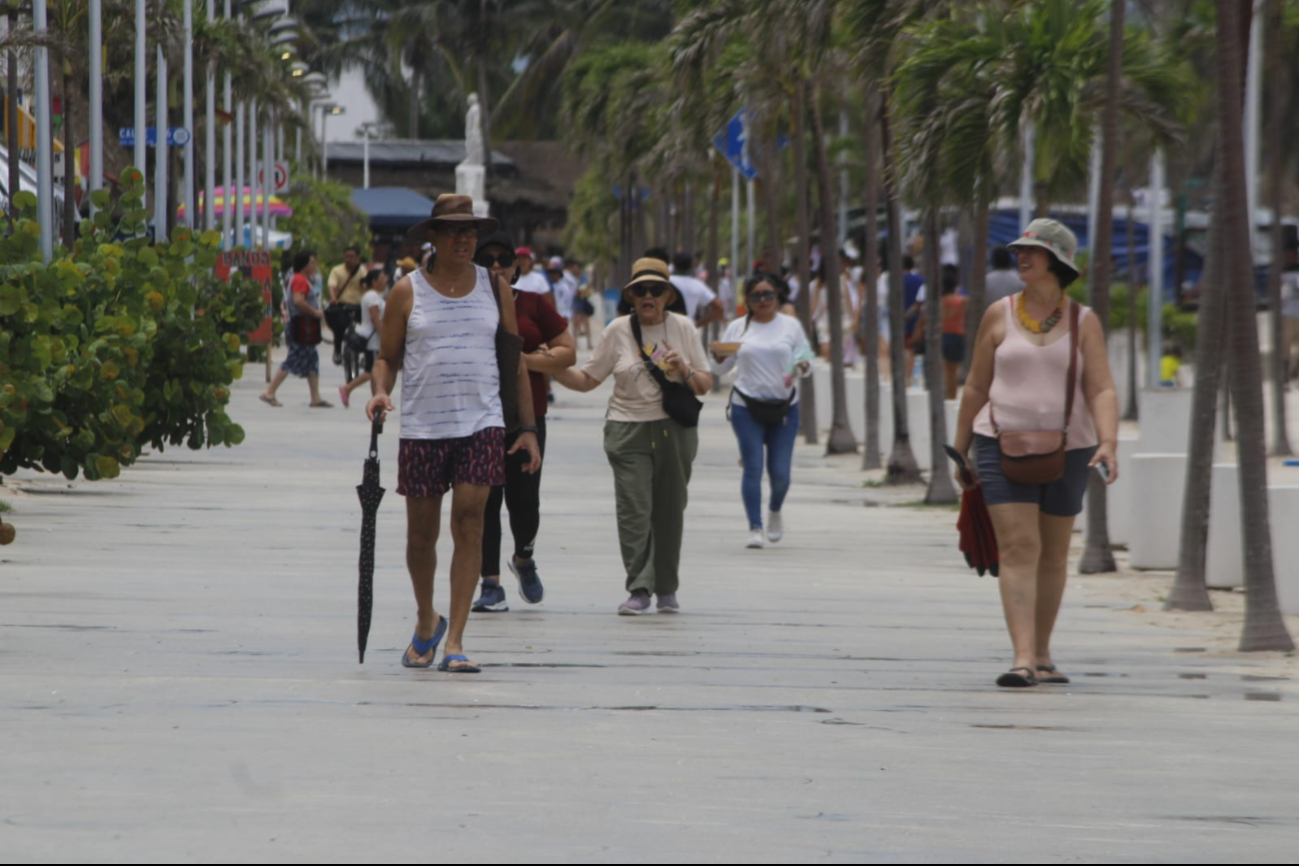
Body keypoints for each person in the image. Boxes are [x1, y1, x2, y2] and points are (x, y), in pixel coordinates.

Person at [366, 195, 542, 672]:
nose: (464, 240)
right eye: (453, 231)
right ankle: (428, 620)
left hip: (481, 424)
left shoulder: (495, 287)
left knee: (470, 522)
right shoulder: (407, 291)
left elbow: (513, 362)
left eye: (471, 232)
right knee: (421, 538)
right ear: (434, 238)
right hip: (424, 427)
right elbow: (387, 357)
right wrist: (381, 392)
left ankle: (456, 641)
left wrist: (526, 428)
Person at [952, 218, 1119, 689]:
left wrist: (1109, 441)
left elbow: (1102, 388)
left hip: (1071, 447)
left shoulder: (1083, 321)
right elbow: (976, 386)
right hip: (999, 443)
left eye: (1033, 251)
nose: (1021, 256)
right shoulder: (998, 313)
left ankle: (1043, 654)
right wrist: (960, 448)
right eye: (1019, 250)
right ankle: (1022, 658)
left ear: (1058, 262)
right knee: (1019, 548)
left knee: (1054, 552)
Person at [553, 257, 713, 615]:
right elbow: (587, 380)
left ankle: (667, 589)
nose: (648, 296)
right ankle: (640, 587)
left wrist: (683, 369)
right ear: (631, 296)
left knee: (670, 512)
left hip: (675, 431)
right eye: (641, 290)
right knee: (634, 512)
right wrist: (550, 367)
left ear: (668, 296)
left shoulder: (684, 328)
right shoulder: (617, 330)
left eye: (656, 290)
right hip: (627, 430)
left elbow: (704, 384)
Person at [471, 232, 576, 613]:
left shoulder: (533, 303)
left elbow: (568, 353)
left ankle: (523, 559)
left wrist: (523, 360)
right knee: (484, 500)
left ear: (518, 267)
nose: (496, 266)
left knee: (524, 502)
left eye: (503, 259)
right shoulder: (466, 305)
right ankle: (490, 584)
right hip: (479, 416)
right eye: (487, 260)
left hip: (529, 418)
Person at [712, 274, 812, 549]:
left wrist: (802, 366)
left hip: (784, 409)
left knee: (780, 474)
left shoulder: (790, 326)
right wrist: (717, 357)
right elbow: (720, 368)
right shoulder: (737, 328)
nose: (763, 300)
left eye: (768, 294)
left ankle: (775, 510)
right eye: (755, 296)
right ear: (748, 300)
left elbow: (805, 357)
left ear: (778, 296)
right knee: (753, 468)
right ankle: (755, 526)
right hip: (746, 406)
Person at [261, 250, 331, 408]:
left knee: (312, 360)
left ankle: (315, 397)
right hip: (300, 325)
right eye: (312, 262)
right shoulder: (299, 279)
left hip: (304, 325)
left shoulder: (303, 279)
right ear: (305, 264)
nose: (314, 265)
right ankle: (269, 392)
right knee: (293, 358)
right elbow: (299, 301)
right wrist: (315, 312)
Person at [338, 267, 389, 408]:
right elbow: (375, 319)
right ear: (374, 281)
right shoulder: (372, 296)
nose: (385, 281)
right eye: (382, 278)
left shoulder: (376, 295)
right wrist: (385, 336)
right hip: (373, 341)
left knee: (373, 371)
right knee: (371, 371)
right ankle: (348, 388)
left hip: (375, 340)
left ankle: (375, 395)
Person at [325, 246, 366, 367]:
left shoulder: (362, 271)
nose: (349, 259)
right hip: (342, 305)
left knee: (368, 327)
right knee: (339, 328)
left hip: (359, 306)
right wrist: (333, 299)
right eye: (347, 256)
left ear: (357, 259)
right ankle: (337, 350)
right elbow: (332, 286)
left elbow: (367, 285)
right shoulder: (337, 270)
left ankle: (365, 355)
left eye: (352, 257)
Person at [669, 252, 725, 328]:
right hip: (687, 331)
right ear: (691, 266)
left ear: (673, 265)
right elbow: (719, 308)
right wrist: (697, 325)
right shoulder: (697, 284)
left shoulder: (665, 282)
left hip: (664, 329)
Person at [940, 264, 968, 399]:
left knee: (944, 371)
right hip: (957, 336)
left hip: (942, 335)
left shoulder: (938, 302)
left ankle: (945, 397)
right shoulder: (962, 301)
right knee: (953, 372)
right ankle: (952, 397)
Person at [566, 259, 595, 349]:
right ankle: (575, 343)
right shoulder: (571, 278)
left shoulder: (584, 277)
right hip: (575, 302)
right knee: (575, 323)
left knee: (586, 322)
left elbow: (589, 288)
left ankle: (589, 343)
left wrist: (584, 292)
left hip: (583, 301)